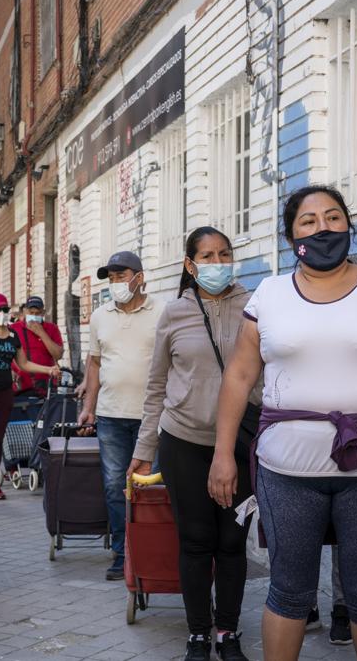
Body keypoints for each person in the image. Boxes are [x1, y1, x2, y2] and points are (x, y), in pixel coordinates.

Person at [206, 185, 357, 661]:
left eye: (333, 217)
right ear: (291, 234)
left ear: (348, 225)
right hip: (286, 470)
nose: (323, 228)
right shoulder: (271, 294)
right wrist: (221, 454)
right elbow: (238, 376)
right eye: (309, 221)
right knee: (290, 592)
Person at [127, 227, 256, 661]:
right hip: (184, 440)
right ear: (190, 264)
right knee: (196, 540)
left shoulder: (254, 307)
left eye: (224, 254)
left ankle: (228, 631)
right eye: (207, 255)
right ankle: (199, 633)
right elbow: (156, 385)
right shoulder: (175, 313)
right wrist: (143, 451)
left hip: (240, 443)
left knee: (233, 542)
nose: (217, 263)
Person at [77, 250, 163, 580]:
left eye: (121, 276)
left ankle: (151, 551)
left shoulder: (162, 311)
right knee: (115, 487)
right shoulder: (101, 316)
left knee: (151, 486)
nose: (115, 283)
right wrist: (89, 408)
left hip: (152, 416)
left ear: (139, 277)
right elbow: (95, 363)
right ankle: (121, 553)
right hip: (111, 416)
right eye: (111, 278)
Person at [0, 293, 60, 501]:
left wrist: (48, 370)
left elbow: (24, 364)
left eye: (5, 309)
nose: (2, 313)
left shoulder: (12, 336)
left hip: (4, 393)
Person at [10, 295, 64, 396]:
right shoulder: (13, 329)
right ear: (25, 311)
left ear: (43, 313)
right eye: (31, 313)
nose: (34, 316)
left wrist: (42, 333)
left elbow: (58, 355)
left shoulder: (52, 328)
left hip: (47, 385)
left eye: (38, 313)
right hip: (21, 386)